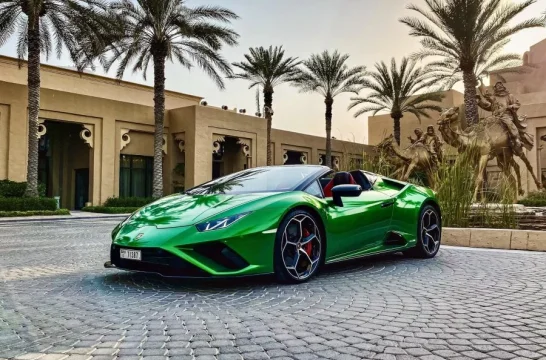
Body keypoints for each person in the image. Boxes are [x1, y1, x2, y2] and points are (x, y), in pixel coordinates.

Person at [476, 82, 526, 154]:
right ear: (495, 88)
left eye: (500, 85)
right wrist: (479, 102)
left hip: (506, 116)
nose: (499, 86)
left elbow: (517, 104)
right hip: (495, 117)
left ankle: (517, 139)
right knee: (484, 122)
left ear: (503, 87)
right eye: (497, 85)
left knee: (509, 124)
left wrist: (510, 106)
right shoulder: (494, 97)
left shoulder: (509, 96)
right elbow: (489, 106)